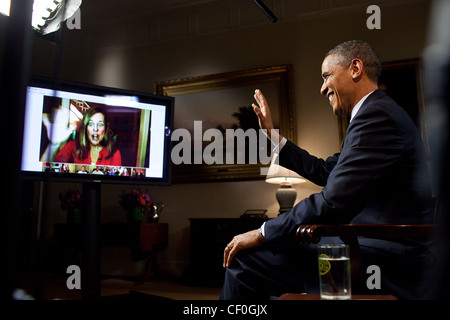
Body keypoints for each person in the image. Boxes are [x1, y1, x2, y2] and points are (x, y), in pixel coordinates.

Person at [220, 40, 436, 300]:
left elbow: (332, 202)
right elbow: (325, 171)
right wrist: (273, 137)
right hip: (367, 245)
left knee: (245, 260)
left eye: (326, 76)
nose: (322, 88)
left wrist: (263, 232)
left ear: (355, 68)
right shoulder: (376, 113)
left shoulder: (377, 117)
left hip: (384, 257)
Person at [54, 107, 122, 166]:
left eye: (100, 125)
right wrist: (54, 144)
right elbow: (53, 167)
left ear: (105, 128)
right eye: (91, 124)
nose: (95, 129)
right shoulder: (72, 146)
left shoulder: (114, 153)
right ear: (85, 127)